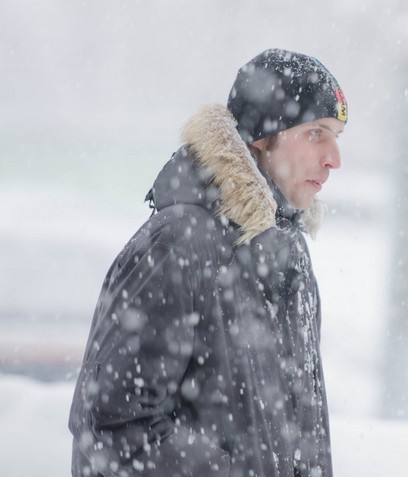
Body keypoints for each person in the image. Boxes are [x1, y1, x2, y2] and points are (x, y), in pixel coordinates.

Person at [68, 48, 348, 477]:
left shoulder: (290, 253)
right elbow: (113, 424)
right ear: (262, 134)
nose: (334, 158)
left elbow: (301, 441)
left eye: (337, 137)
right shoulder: (180, 243)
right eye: (316, 133)